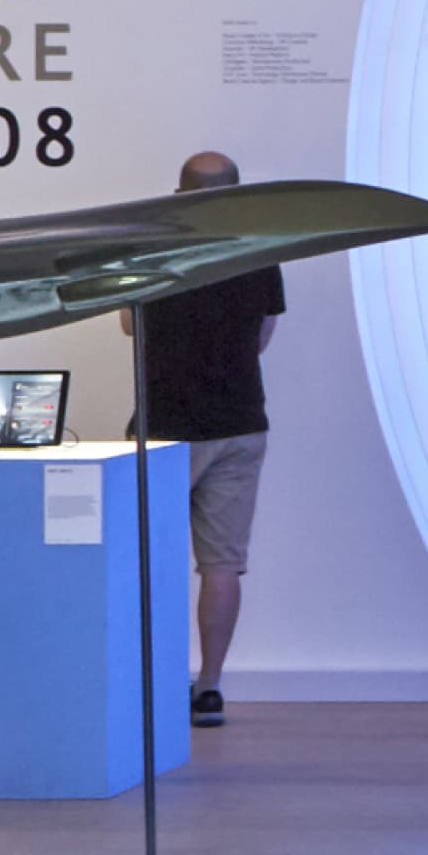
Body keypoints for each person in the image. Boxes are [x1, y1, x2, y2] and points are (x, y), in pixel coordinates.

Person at [129, 149, 285, 727]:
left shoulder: (152, 246)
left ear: (180, 194)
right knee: (222, 563)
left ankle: (151, 679)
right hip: (241, 422)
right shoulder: (259, 249)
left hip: (165, 426)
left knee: (150, 559)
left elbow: (128, 323)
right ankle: (210, 686)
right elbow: (263, 337)